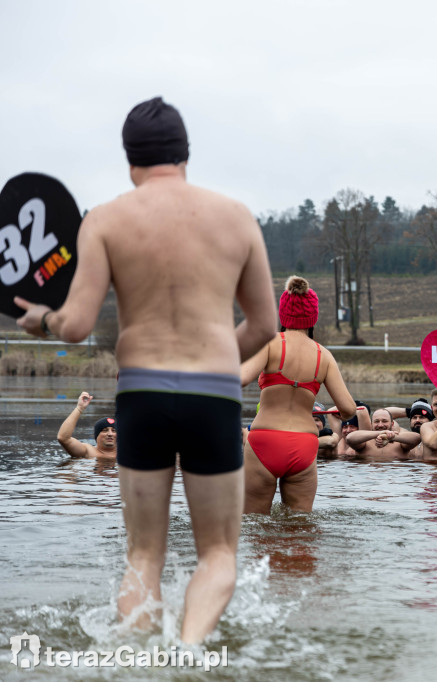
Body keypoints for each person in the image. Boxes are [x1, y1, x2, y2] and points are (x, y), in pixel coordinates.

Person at [14, 97, 278, 643]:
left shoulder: (106, 220)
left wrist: (40, 317)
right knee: (219, 554)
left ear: (129, 160)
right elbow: (263, 326)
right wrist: (211, 359)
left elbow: (76, 324)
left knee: (143, 555)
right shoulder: (236, 217)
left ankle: (139, 662)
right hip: (213, 394)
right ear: (185, 153)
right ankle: (187, 650)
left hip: (142, 394)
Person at [240, 275, 356, 513]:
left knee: (253, 525)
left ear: (283, 314)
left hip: (265, 440)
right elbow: (348, 410)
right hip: (304, 445)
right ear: (312, 318)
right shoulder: (323, 356)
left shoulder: (270, 344)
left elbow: (239, 379)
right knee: (299, 530)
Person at [57, 392, 117, 459]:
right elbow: (63, 438)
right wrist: (79, 409)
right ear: (97, 435)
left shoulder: (127, 452)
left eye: (114, 431)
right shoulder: (88, 451)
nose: (110, 434)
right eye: (105, 430)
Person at [346, 409, 421, 461]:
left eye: (384, 421)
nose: (380, 425)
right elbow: (349, 438)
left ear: (392, 424)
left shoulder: (400, 443)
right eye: (376, 421)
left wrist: (391, 437)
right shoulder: (365, 443)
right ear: (371, 424)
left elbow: (417, 438)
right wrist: (380, 433)